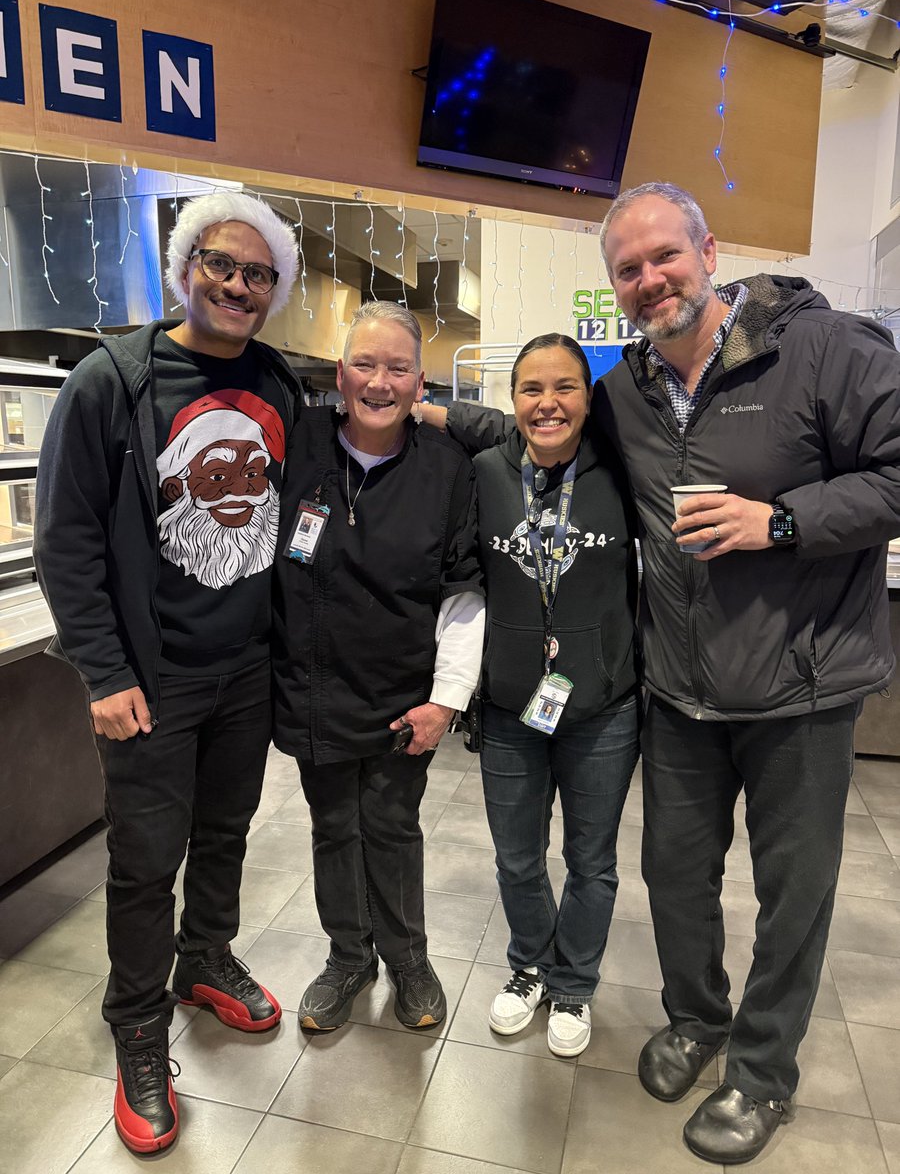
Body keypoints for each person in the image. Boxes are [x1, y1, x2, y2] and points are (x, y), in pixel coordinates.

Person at [589, 181, 900, 1163]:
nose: (650, 280)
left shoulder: (824, 351)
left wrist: (785, 522)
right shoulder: (625, 390)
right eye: (628, 269)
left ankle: (761, 1074)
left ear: (709, 250)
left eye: (664, 257)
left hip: (802, 691)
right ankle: (697, 1017)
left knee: (792, 893)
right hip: (681, 690)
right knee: (675, 878)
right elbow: (547, 445)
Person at [34, 191, 301, 1155]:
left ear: (274, 289)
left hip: (246, 670)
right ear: (185, 268)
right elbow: (63, 539)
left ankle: (207, 959)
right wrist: (103, 673)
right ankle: (138, 1027)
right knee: (146, 862)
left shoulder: (277, 382)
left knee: (227, 828)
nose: (236, 284)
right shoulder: (112, 382)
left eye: (257, 272)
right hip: (152, 678)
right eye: (220, 265)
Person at [272, 301, 484, 1034]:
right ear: (340, 374)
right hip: (312, 691)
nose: (380, 382)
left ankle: (408, 958)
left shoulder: (447, 471)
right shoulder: (298, 448)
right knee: (333, 826)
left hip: (402, 697)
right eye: (365, 364)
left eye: (398, 368)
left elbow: (464, 589)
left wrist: (445, 701)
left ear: (419, 382)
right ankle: (346, 958)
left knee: (391, 826)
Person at [450, 333, 640, 1057]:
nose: (548, 403)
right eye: (532, 388)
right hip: (509, 709)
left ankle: (575, 984)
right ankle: (530, 965)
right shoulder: (483, 475)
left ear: (587, 399)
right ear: (512, 399)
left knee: (592, 861)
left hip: (603, 707)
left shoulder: (622, 475)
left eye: (565, 387)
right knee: (517, 857)